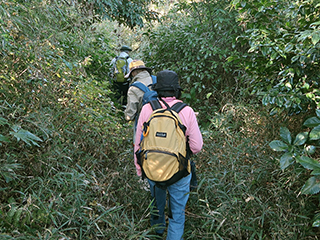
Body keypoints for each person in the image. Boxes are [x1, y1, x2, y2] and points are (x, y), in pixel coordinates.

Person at [134, 70, 203, 239]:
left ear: (157, 89)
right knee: (177, 216)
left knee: (156, 205)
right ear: (176, 89)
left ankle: (157, 232)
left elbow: (138, 144)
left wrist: (140, 169)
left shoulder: (147, 108)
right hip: (179, 172)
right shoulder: (186, 111)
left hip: (153, 169)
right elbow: (197, 146)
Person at [124, 59, 153, 126]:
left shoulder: (133, 88)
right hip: (161, 119)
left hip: (144, 122)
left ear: (134, 73)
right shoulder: (156, 80)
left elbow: (130, 113)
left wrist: (127, 117)